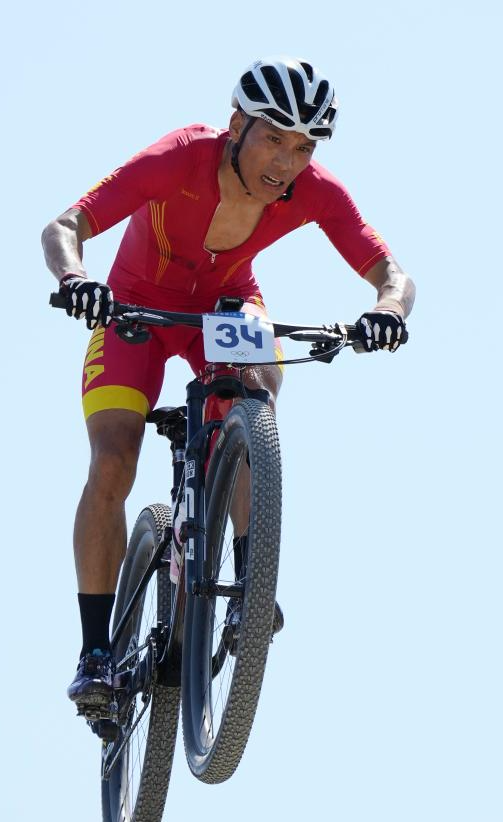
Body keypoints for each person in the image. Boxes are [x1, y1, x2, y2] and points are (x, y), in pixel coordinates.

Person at [41, 57, 416, 716]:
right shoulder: (180, 156)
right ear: (237, 125)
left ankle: (248, 586)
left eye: (303, 147)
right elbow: (64, 226)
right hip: (134, 309)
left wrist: (387, 309)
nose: (286, 161)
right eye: (273, 138)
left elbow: (393, 275)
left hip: (225, 306)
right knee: (113, 459)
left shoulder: (314, 190)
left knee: (252, 393)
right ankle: (94, 651)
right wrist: (76, 280)